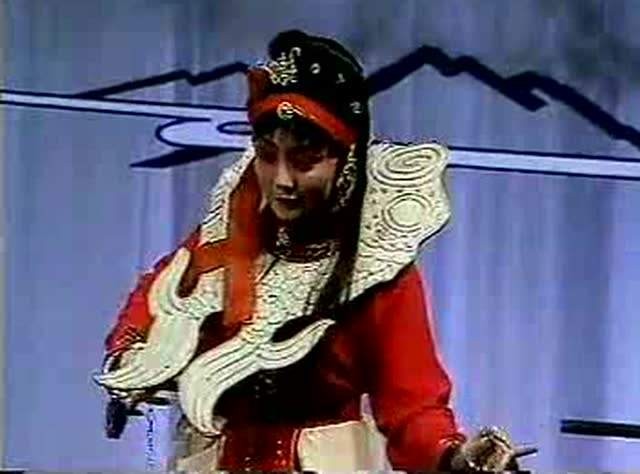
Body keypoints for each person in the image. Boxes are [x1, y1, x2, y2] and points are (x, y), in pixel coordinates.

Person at [95, 30, 518, 471]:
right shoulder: (230, 236)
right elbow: (158, 296)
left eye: (304, 160)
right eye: (267, 155)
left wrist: (457, 458)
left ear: (346, 161)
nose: (282, 181)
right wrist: (131, 355)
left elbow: (414, 410)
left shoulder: (381, 271)